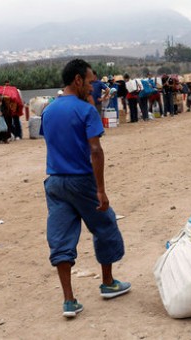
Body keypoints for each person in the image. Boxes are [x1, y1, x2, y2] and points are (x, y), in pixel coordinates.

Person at [40, 59, 131, 318]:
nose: (93, 87)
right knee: (105, 225)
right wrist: (100, 190)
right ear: (78, 80)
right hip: (82, 180)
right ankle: (108, 283)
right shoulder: (86, 110)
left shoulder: (48, 110)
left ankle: (69, 300)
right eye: (90, 82)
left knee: (60, 238)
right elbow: (95, 149)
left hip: (55, 181)